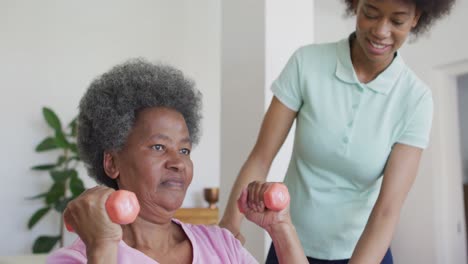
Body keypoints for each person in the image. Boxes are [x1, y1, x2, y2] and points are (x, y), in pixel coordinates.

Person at [219, 0, 455, 263]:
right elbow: (261, 157)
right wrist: (230, 224)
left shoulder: (415, 99)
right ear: (356, 4)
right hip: (289, 244)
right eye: (371, 13)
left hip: (364, 252)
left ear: (416, 18)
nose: (381, 30)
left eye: (397, 21)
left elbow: (388, 209)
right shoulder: (307, 63)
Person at [46, 59, 307, 264]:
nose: (177, 163)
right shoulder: (81, 258)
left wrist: (281, 228)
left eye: (184, 151)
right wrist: (102, 247)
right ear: (112, 163)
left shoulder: (220, 245)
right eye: (159, 147)